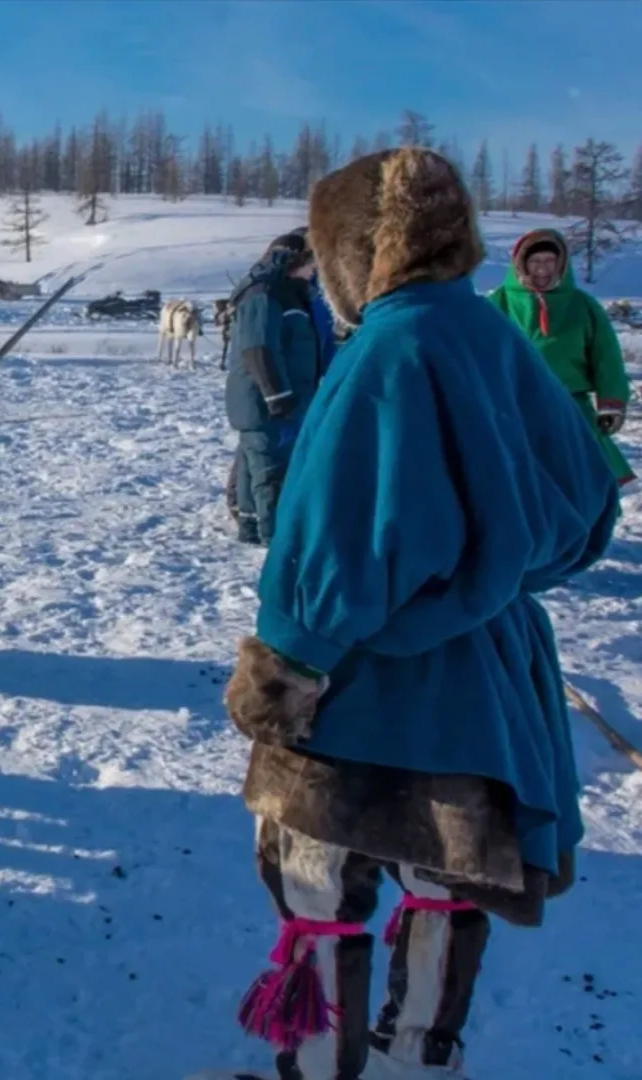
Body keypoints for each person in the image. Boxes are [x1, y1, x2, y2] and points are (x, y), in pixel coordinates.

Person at [203, 147, 619, 1080]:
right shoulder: (493, 336)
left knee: (315, 878)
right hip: (490, 679)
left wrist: (285, 668)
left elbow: (338, 538)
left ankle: (318, 1067)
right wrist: (495, 578)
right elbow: (592, 505)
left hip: (368, 685)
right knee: (443, 879)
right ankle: (416, 1059)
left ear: (354, 252)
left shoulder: (385, 349)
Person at [487, 228, 634, 486]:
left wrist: (611, 402)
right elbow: (478, 354)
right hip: (515, 408)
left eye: (549, 262)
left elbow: (606, 358)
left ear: (561, 264)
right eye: (535, 262)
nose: (542, 270)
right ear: (521, 264)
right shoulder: (499, 303)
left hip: (570, 407)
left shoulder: (582, 305)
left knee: (582, 481)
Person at [224, 230, 325, 545]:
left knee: (254, 468)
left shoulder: (288, 293)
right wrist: (278, 397)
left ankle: (251, 528)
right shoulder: (265, 294)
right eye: (312, 263)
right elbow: (258, 348)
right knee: (271, 475)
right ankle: (276, 540)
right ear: (293, 260)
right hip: (266, 402)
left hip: (271, 401)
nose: (316, 271)